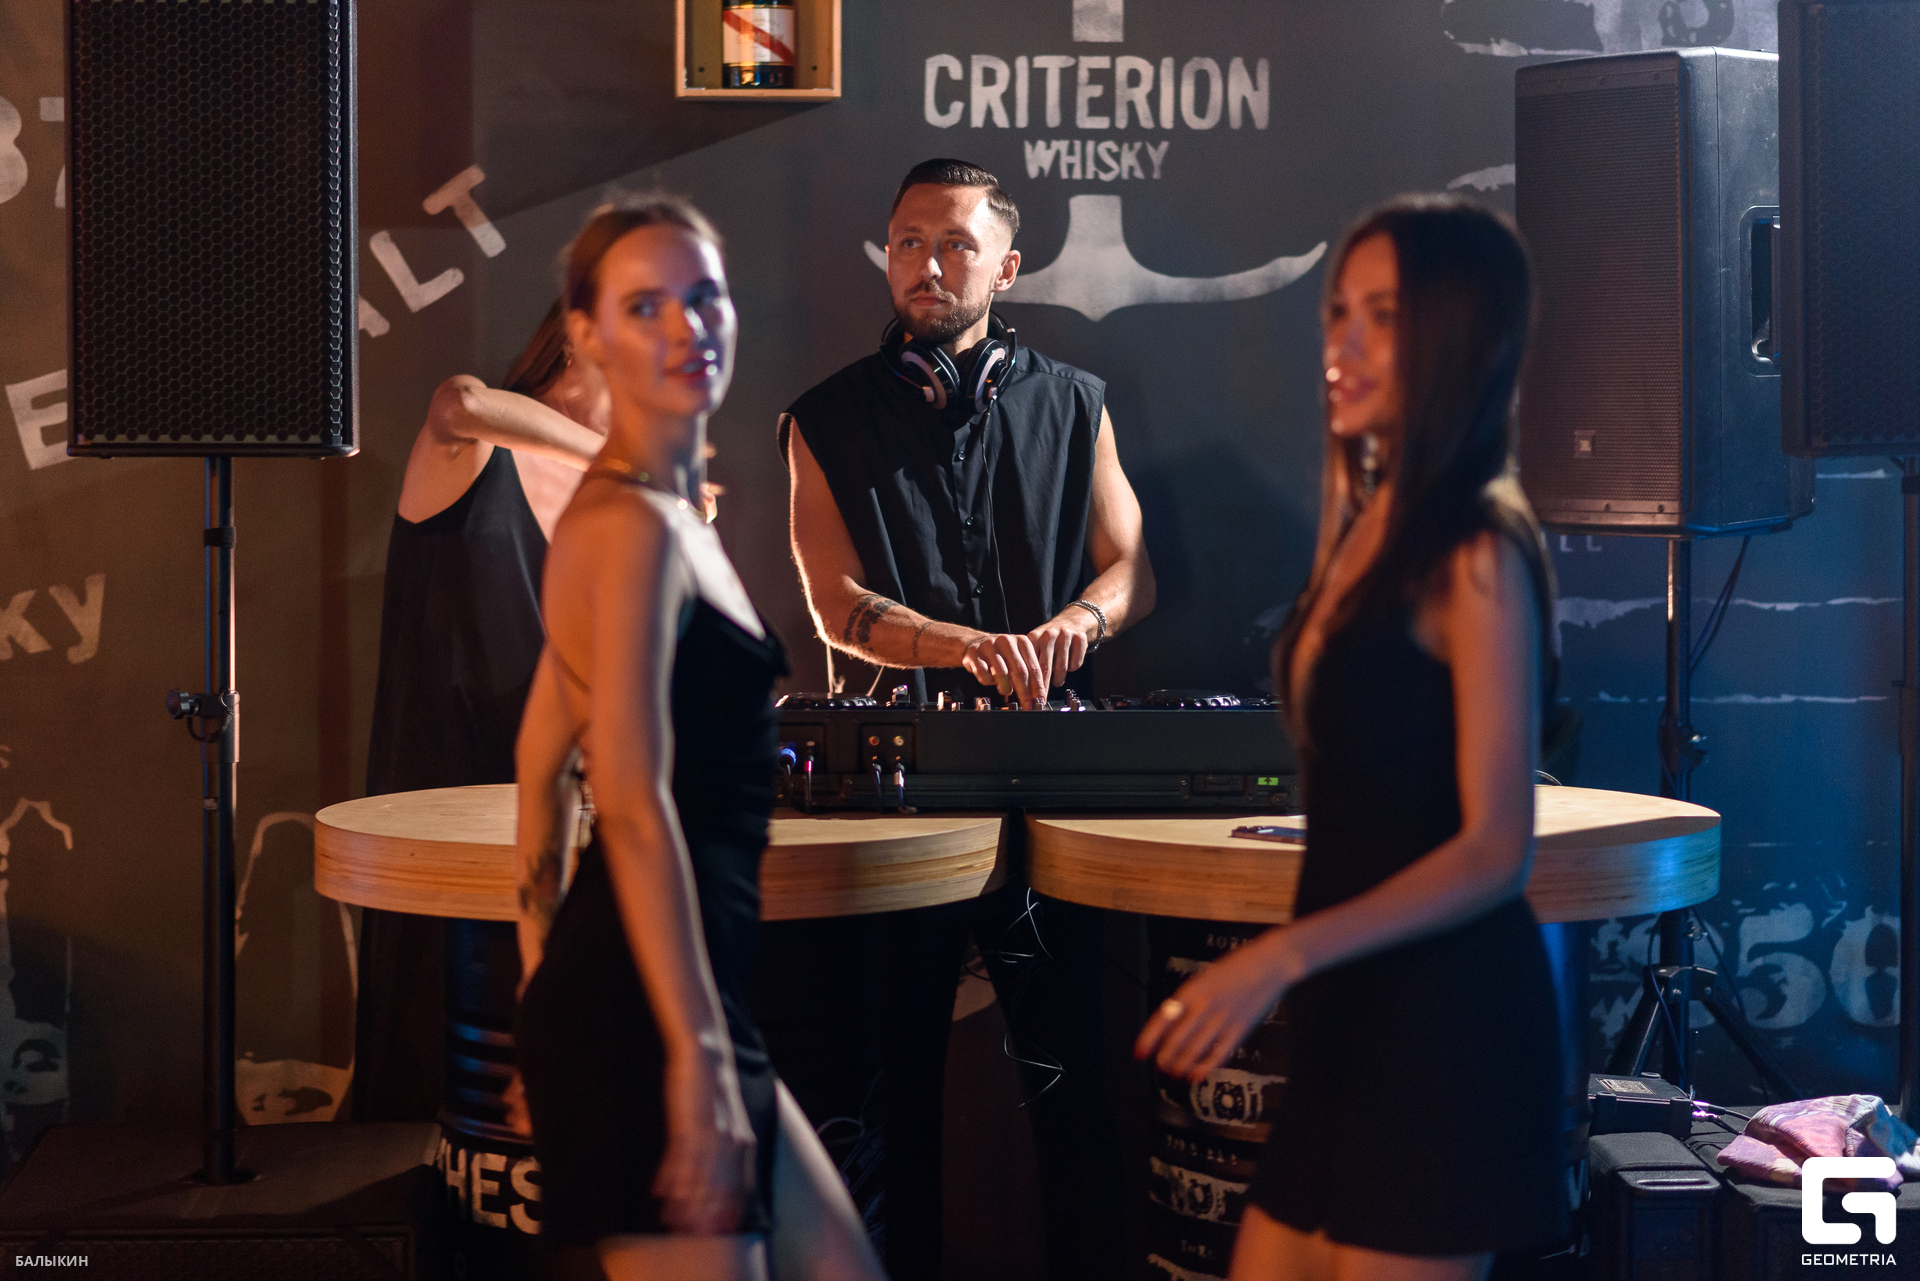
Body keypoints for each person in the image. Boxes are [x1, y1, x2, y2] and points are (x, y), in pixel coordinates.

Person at [1135, 194, 1569, 1280]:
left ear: (1459, 336)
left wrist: (1280, 954)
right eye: (1340, 312)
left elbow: (1495, 849)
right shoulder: (1367, 522)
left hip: (1445, 1027)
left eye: (1384, 316)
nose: (1345, 343)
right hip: (1347, 1021)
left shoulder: (1477, 549)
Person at [772, 157, 1154, 1281]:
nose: (927, 265)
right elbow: (833, 604)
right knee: (885, 1101)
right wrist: (969, 647)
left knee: (1075, 1086)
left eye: (953, 244)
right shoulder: (824, 418)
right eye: (907, 243)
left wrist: (1072, 626)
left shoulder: (1075, 402)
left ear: (1008, 265)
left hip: (1050, 788)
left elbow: (1132, 568)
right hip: (894, 801)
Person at [512, 194, 884, 1281]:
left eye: (705, 297)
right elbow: (626, 799)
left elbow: (540, 771)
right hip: (649, 1019)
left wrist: (538, 995)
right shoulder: (626, 527)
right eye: (646, 306)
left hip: (682, 1005)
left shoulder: (668, 516)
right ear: (587, 336)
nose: (687, 327)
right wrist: (696, 1060)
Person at [354, 299, 609, 1123]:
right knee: (437, 1086)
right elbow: (458, 401)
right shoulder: (479, 451)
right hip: (445, 824)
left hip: (560, 839)